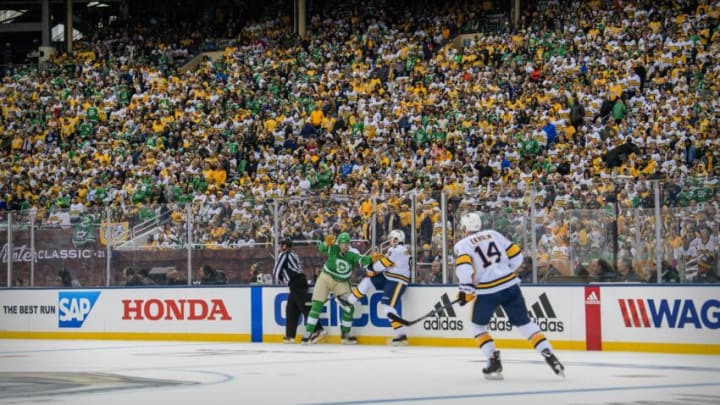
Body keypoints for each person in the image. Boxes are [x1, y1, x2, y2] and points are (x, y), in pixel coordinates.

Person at [453, 212, 564, 380]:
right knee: (524, 323)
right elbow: (517, 256)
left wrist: (466, 289)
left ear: (463, 228)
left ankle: (493, 361)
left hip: (487, 292)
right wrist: (504, 272)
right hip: (510, 285)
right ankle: (549, 354)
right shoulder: (493, 234)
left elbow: (464, 269)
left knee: (478, 327)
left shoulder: (463, 244)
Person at [301, 232, 371, 345]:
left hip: (341, 281)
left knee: (349, 308)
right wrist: (325, 242)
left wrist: (371, 258)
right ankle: (308, 333)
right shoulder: (333, 247)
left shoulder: (353, 253)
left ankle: (345, 334)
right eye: (341, 244)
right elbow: (321, 248)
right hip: (326, 277)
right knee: (316, 306)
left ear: (349, 244)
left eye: (345, 244)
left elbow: (362, 260)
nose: (343, 247)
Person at [346, 229, 411, 345]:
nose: (390, 240)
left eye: (392, 238)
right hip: (388, 277)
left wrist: (370, 265)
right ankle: (349, 301)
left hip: (397, 281)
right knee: (367, 281)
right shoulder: (397, 249)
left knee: (388, 308)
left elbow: (380, 266)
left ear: (397, 239)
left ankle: (401, 335)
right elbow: (384, 266)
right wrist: (374, 265)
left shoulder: (398, 250)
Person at [272, 238, 324, 343]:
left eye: (281, 245)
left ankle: (318, 329)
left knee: (304, 307)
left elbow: (276, 271)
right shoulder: (294, 254)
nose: (279, 247)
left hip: (295, 282)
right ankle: (290, 335)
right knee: (291, 309)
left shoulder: (284, 254)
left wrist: (281, 279)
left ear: (285, 246)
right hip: (299, 281)